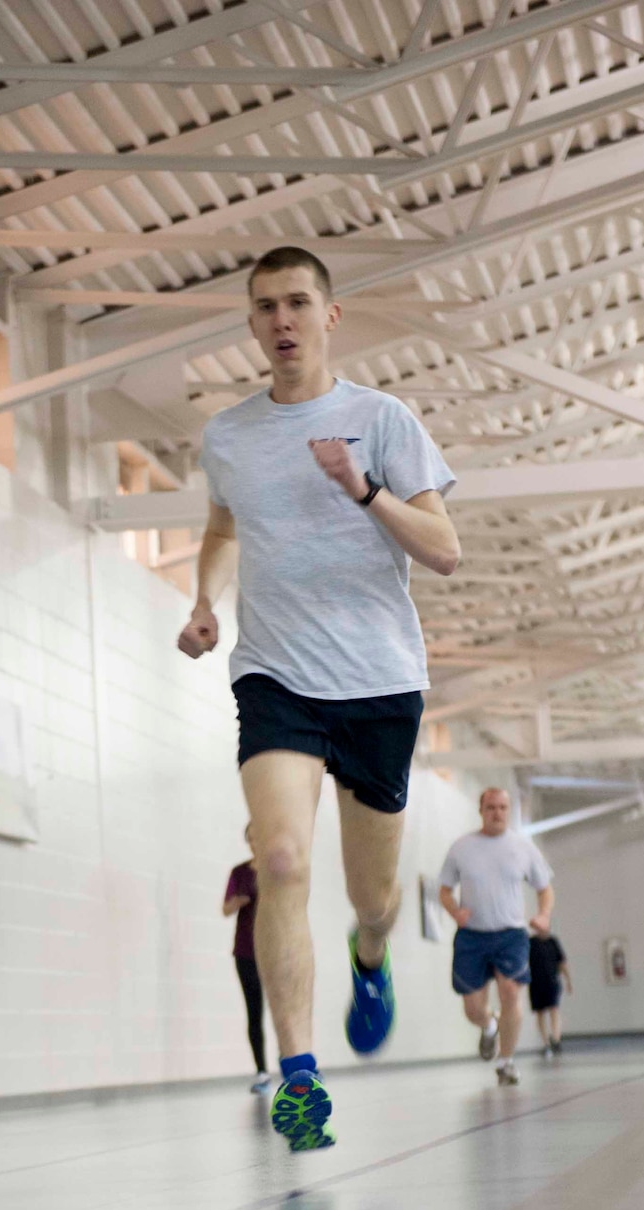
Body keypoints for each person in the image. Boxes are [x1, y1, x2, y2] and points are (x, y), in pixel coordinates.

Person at [177, 245, 459, 1151]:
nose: (282, 321)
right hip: (274, 674)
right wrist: (202, 601)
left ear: (330, 315)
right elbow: (223, 527)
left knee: (372, 896)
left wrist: (363, 488)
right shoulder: (227, 436)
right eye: (264, 307)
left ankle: (368, 955)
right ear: (252, 324)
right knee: (283, 861)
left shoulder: (381, 420)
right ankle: (299, 1080)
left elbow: (445, 549)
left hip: (378, 683)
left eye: (298, 302)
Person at [438, 789, 554, 1086]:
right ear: (481, 810)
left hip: (511, 934)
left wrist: (543, 915)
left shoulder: (523, 847)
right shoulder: (461, 848)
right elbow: (444, 890)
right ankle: (489, 1024)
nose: (497, 813)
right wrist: (454, 911)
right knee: (472, 1008)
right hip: (471, 936)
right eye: (491, 807)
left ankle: (506, 1062)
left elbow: (545, 888)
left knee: (511, 992)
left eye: (503, 807)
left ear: (508, 811)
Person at [223, 829, 271, 1092]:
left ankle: (295, 1068)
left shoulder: (275, 870)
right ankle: (262, 1072)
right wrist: (241, 900)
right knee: (255, 1012)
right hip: (245, 953)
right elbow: (225, 908)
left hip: (274, 951)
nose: (256, 841)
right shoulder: (239, 873)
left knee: (283, 1011)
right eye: (252, 837)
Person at [529, 924, 572, 1056]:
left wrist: (568, 980)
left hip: (552, 981)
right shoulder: (531, 943)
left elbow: (562, 962)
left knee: (554, 1009)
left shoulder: (553, 942)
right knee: (540, 1012)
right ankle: (545, 1042)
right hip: (536, 982)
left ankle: (556, 1038)